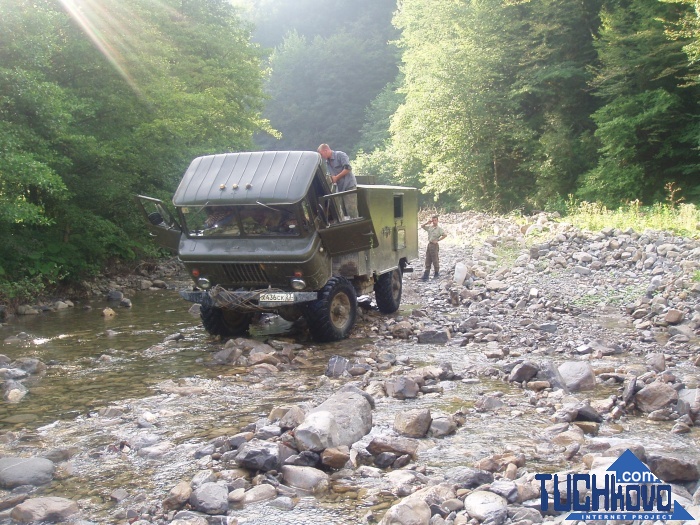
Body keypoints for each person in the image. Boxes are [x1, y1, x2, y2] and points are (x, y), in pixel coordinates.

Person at [317, 144, 358, 219]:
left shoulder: (340, 155)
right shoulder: (327, 162)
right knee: (340, 211)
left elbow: (348, 168)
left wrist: (336, 177)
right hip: (339, 188)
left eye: (321, 154)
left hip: (349, 186)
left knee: (351, 210)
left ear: (326, 150)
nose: (322, 156)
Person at [421, 214, 447, 280]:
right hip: (429, 244)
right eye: (433, 220)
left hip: (434, 245)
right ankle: (426, 274)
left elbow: (445, 235)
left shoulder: (439, 229)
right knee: (428, 259)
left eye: (435, 220)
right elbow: (422, 226)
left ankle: (436, 273)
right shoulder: (430, 227)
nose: (434, 221)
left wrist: (438, 240)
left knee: (435, 259)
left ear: (437, 221)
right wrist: (427, 222)